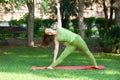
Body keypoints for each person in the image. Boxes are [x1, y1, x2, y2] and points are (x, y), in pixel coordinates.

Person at [41, 3, 98, 69]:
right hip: (71, 44)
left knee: (87, 52)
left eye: (48, 29)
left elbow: (59, 18)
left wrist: (58, 8)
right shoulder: (56, 39)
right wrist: (54, 59)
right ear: (49, 34)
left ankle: (95, 65)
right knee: (62, 56)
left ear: (50, 28)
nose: (49, 31)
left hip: (77, 39)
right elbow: (56, 49)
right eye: (47, 32)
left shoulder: (58, 28)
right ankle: (51, 66)